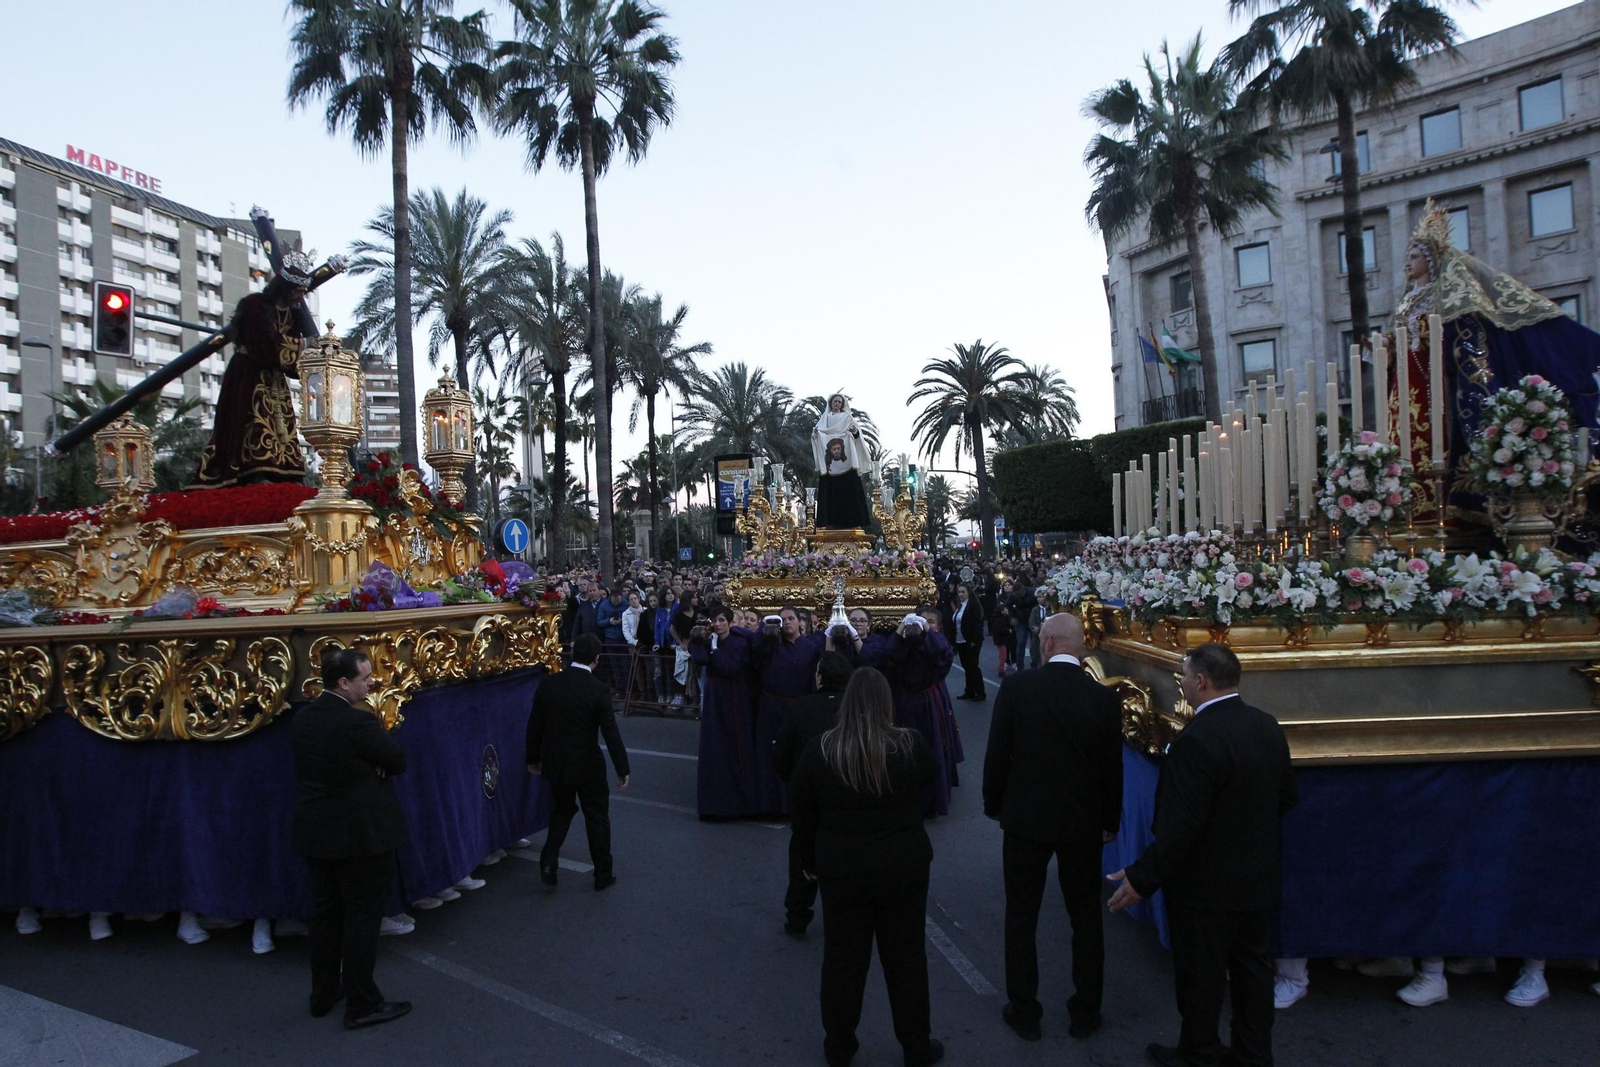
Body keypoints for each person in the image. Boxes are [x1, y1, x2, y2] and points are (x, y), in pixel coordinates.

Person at [1108, 643, 1298, 1067]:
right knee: (1252, 970)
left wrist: (1142, 877)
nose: (1181, 682)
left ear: (1201, 681)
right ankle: (1253, 1054)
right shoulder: (1266, 725)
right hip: (1257, 875)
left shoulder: (1196, 740)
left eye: (1184, 675)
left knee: (1201, 975)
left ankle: (1199, 1051)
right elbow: (1287, 796)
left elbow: (1180, 825)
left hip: (1205, 886)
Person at [1394, 198, 1600, 519]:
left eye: (1414, 256)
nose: (1407, 263)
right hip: (1409, 384)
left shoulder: (1445, 297)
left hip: (1437, 384)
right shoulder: (1407, 300)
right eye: (1407, 256)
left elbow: (1457, 338)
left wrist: (1425, 335)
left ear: (1431, 261)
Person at [790, 668, 944, 1067]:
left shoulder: (823, 750)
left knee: (843, 961)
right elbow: (931, 781)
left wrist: (809, 861)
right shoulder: (908, 745)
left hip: (843, 869)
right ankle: (916, 1046)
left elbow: (802, 813)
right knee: (907, 960)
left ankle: (839, 1046)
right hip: (902, 867)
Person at [983, 614, 1122, 1043]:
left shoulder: (1018, 688)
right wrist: (1110, 820)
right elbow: (1111, 768)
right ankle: (1086, 1011)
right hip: (1082, 821)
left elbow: (998, 753)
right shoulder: (1103, 698)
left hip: (1026, 818)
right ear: (1080, 647)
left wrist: (994, 805)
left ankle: (1025, 1010)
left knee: (1021, 915)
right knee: (1086, 917)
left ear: (1046, 642)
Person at [290, 648, 411, 1030]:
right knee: (362, 918)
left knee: (326, 916)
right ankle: (362, 1003)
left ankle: (323, 993)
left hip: (316, 831)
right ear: (344, 683)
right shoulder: (357, 722)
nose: (371, 682)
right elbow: (396, 759)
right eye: (365, 678)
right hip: (359, 835)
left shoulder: (303, 718)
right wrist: (373, 766)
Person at [191, 252, 314, 488]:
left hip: (274, 377)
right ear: (285, 288)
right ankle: (255, 472)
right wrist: (303, 345)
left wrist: (307, 351)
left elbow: (289, 347)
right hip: (249, 371)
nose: (300, 296)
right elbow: (263, 342)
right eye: (298, 291)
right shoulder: (255, 305)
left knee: (281, 423)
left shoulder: (293, 313)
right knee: (254, 419)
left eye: (303, 292)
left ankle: (284, 473)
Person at [525, 634, 631, 891]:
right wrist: (622, 768)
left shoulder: (549, 684)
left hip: (556, 761)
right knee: (597, 817)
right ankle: (602, 873)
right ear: (597, 659)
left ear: (573, 653)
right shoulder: (598, 690)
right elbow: (611, 732)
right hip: (587, 764)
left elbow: (535, 725)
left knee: (561, 811)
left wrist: (533, 758)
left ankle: (548, 860)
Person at [773, 651, 853, 939]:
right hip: (849, 793)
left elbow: (782, 754)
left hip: (809, 794)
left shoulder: (801, 707)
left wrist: (795, 781)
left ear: (819, 677)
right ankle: (845, 915)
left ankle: (798, 915)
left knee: (802, 852)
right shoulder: (856, 708)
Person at [880, 614, 959, 818]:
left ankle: (932, 798)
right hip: (904, 701)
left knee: (931, 747)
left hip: (927, 702)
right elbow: (887, 654)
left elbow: (943, 653)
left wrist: (925, 628)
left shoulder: (934, 647)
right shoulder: (901, 646)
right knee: (903, 750)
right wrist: (901, 629)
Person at [688, 606, 762, 818]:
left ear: (729, 623)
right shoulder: (710, 639)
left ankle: (741, 801)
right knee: (714, 745)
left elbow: (732, 668)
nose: (718, 624)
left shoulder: (739, 643)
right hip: (715, 696)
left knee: (736, 744)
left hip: (734, 696)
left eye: (722, 620)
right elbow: (700, 658)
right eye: (715, 620)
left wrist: (713, 649)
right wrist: (697, 641)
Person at [753, 606, 826, 815]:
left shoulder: (810, 648)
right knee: (769, 754)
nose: (787, 622)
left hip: (798, 706)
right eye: (782, 619)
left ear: (799, 621)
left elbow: (814, 680)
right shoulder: (771, 645)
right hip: (772, 706)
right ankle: (770, 804)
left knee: (797, 756)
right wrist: (766, 624)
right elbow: (757, 650)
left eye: (790, 618)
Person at [811, 394, 872, 529]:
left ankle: (852, 523)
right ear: (830, 403)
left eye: (840, 402)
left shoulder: (847, 417)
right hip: (830, 467)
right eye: (835, 401)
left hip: (848, 463)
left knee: (849, 493)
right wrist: (815, 435)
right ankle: (830, 523)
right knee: (830, 493)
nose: (837, 403)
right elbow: (816, 434)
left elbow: (857, 435)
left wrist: (854, 433)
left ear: (843, 404)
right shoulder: (825, 419)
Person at [950, 584, 986, 701]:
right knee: (967, 667)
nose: (960, 594)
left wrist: (974, 640)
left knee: (973, 666)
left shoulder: (973, 605)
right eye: (959, 592)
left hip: (971, 641)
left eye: (963, 592)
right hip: (960, 640)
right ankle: (969, 691)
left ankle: (980, 692)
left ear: (968, 593)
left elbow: (977, 624)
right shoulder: (960, 605)